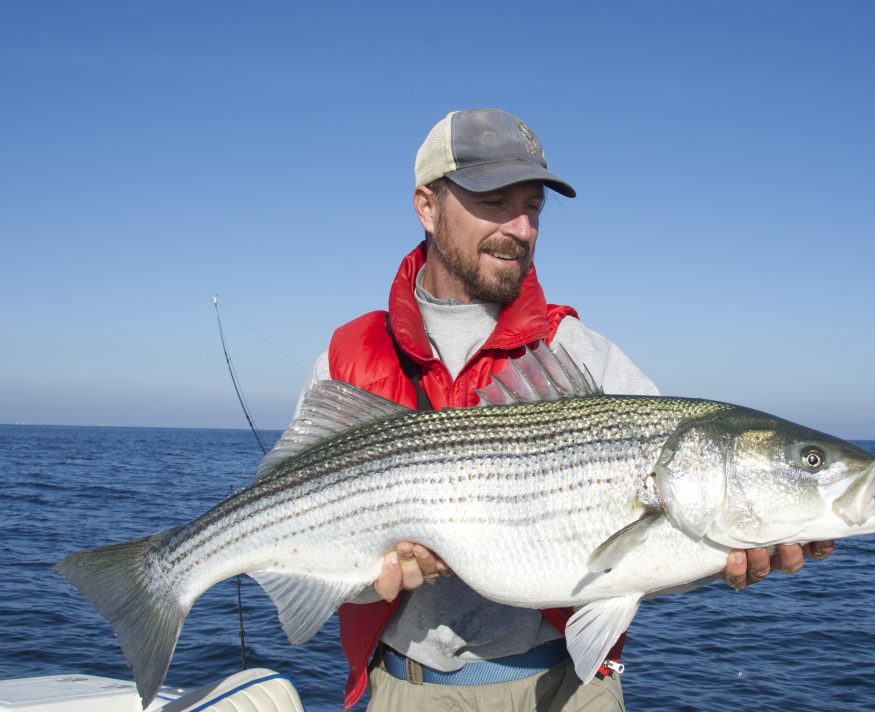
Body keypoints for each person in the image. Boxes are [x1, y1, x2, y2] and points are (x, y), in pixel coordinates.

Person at [289, 108, 835, 711]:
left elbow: (654, 545)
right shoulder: (346, 362)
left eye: (534, 206)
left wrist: (724, 552)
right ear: (426, 205)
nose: (521, 228)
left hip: (574, 690)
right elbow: (303, 557)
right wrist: (369, 578)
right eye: (494, 200)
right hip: (412, 691)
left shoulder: (585, 358)